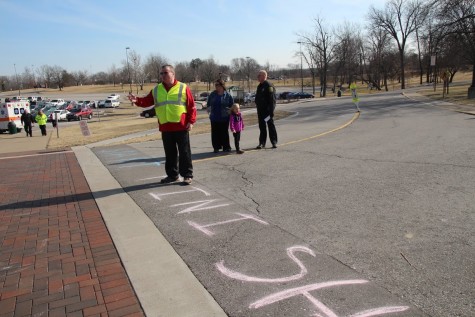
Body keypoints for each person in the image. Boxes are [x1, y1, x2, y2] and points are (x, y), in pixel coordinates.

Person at [128, 65, 197, 185]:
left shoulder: (183, 87)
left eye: (165, 73)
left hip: (181, 126)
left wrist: (191, 121)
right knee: (169, 153)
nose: (163, 75)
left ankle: (187, 175)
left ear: (173, 74)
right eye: (161, 73)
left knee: (184, 152)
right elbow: (147, 101)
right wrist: (137, 100)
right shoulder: (157, 89)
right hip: (165, 126)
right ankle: (172, 175)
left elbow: (192, 106)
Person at [207, 79, 233, 153]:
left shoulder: (227, 95)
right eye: (215, 85)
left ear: (222, 86)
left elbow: (232, 105)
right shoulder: (212, 94)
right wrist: (208, 110)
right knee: (215, 133)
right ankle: (216, 147)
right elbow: (208, 104)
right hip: (214, 117)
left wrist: (230, 111)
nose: (216, 87)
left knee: (224, 132)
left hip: (224, 117)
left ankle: (226, 147)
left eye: (218, 85)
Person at [255, 70, 277, 149]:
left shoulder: (269, 85)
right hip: (260, 111)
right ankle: (262, 143)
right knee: (262, 127)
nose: (258, 77)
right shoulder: (259, 86)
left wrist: (271, 111)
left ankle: (274, 142)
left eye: (259, 75)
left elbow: (272, 100)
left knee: (271, 126)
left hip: (267, 111)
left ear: (264, 76)